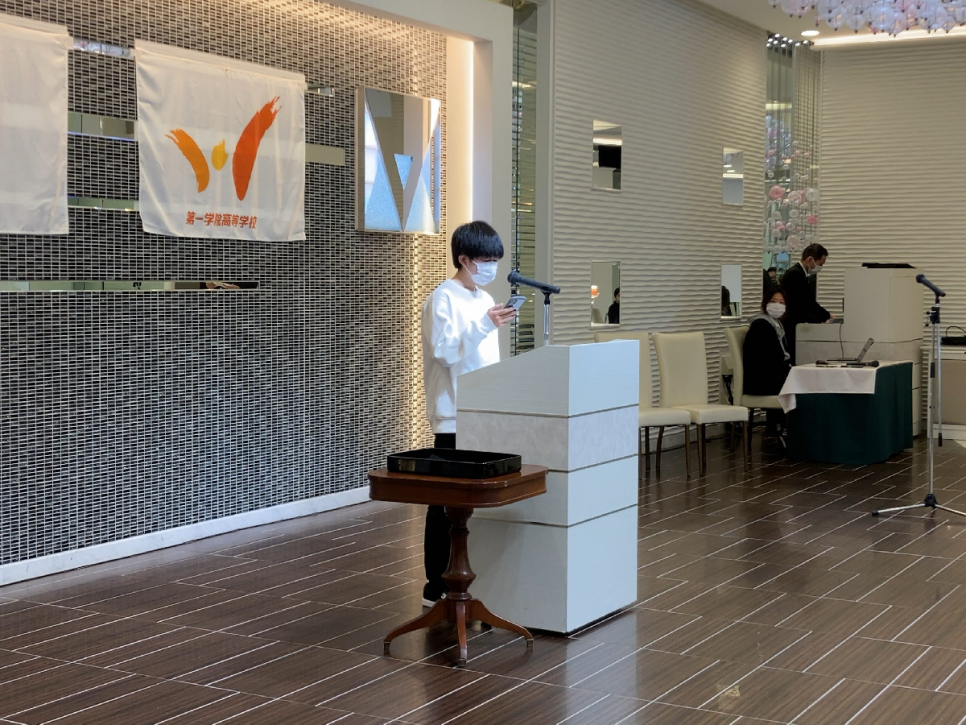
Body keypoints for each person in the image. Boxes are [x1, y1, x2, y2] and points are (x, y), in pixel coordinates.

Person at [420, 221, 516, 608]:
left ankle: (467, 577)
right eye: (485, 259)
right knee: (444, 502)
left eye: (495, 260)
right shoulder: (442, 298)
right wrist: (485, 324)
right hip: (453, 414)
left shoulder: (484, 297)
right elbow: (445, 352)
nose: (491, 266)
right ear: (464, 258)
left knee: (473, 502)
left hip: (483, 411)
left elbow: (485, 358)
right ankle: (435, 585)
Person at [744, 287, 793, 441]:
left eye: (781, 302)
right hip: (760, 381)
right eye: (773, 301)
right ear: (765, 303)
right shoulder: (761, 326)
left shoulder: (776, 325)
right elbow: (766, 360)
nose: (777, 305)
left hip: (770, 376)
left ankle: (780, 426)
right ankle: (788, 429)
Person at [780, 243, 834, 361]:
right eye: (820, 264)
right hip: (791, 327)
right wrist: (826, 316)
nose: (820, 268)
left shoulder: (800, 274)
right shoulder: (795, 274)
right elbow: (806, 304)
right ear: (810, 259)